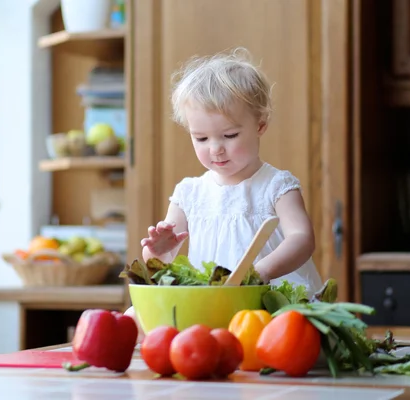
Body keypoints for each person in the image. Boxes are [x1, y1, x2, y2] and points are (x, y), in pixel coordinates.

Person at [125, 47, 323, 340]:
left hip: (267, 302)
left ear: (260, 125)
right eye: (201, 138)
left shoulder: (276, 185)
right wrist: (158, 253)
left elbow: (302, 239)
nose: (215, 148)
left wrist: (260, 272)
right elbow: (164, 263)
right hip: (211, 305)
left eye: (229, 136)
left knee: (281, 336)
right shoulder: (190, 192)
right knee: (135, 317)